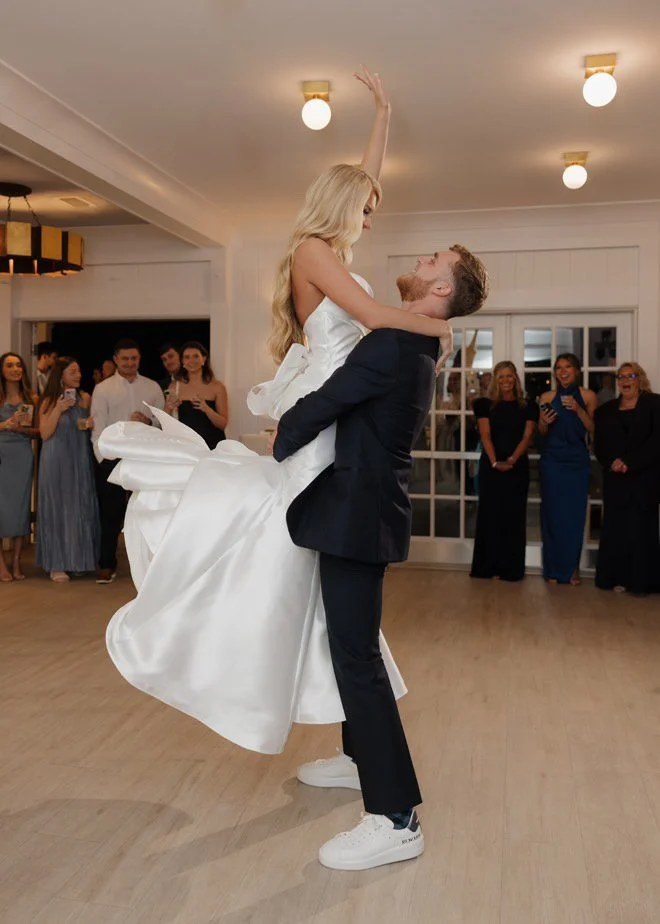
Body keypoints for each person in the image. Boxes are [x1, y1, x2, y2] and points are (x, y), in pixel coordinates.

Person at [98, 68, 484, 762]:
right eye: (365, 208)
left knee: (327, 598)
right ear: (342, 206)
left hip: (343, 406)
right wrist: (439, 329)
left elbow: (365, 181)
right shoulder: (313, 252)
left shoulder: (333, 250)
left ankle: (353, 741)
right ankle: (221, 644)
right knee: (293, 567)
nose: (373, 217)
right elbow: (367, 315)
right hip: (330, 405)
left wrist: (384, 112)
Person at [271, 248, 488, 871]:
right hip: (364, 508)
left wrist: (279, 438)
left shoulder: (394, 344)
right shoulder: (414, 342)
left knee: (356, 655)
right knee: (349, 641)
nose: (420, 259)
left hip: (357, 515)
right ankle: (358, 756)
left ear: (440, 285)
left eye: (432, 260)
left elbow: (327, 402)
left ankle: (396, 817)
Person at [91, 338, 163, 583]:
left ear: (139, 359)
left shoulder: (152, 387)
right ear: (116, 360)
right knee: (110, 513)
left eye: (134, 358)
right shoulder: (103, 389)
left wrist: (148, 421)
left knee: (147, 511)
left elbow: (162, 423)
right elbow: (97, 427)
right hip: (112, 457)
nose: (130, 363)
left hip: (144, 458)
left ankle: (151, 564)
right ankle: (106, 563)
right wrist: (102, 458)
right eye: (125, 359)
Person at [594, 363, 660, 595]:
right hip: (616, 481)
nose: (624, 380)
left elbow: (656, 442)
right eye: (620, 376)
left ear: (639, 378)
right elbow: (599, 445)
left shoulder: (655, 404)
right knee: (617, 532)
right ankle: (615, 578)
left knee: (642, 532)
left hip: (644, 480)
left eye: (629, 376)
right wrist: (612, 461)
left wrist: (630, 462)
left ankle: (642, 583)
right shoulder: (605, 411)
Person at [469, 362, 538, 582]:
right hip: (491, 468)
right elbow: (485, 436)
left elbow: (527, 437)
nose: (505, 381)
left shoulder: (528, 406)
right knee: (490, 516)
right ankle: (487, 567)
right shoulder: (484, 405)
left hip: (517, 468)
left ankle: (511, 569)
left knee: (513, 518)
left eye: (509, 376)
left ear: (516, 378)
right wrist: (495, 462)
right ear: (495, 380)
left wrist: (511, 460)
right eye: (501, 377)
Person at [36, 357, 101, 582]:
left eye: (79, 371)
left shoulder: (84, 398)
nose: (78, 375)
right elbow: (44, 433)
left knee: (78, 506)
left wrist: (88, 423)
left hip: (78, 456)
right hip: (55, 459)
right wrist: (59, 408)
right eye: (73, 371)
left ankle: (78, 560)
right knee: (57, 507)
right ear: (60, 375)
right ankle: (57, 563)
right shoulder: (48, 400)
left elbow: (81, 426)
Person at [538, 353, 597, 585]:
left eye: (568, 367)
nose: (563, 372)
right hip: (552, 461)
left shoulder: (588, 396)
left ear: (577, 371)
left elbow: (593, 429)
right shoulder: (547, 396)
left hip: (577, 462)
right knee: (552, 515)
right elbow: (541, 434)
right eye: (559, 368)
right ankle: (552, 568)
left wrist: (578, 410)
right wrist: (544, 421)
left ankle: (572, 569)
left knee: (574, 516)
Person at [0, 353, 39, 582]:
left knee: (20, 509)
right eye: (9, 365)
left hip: (22, 455)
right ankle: (1, 564)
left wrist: (23, 429)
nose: (15, 369)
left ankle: (16, 560)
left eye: (18, 365)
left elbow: (38, 432)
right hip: (1, 454)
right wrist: (6, 424)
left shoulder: (31, 397)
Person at [164, 342, 228, 448]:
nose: (191, 361)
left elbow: (223, 424)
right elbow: (165, 420)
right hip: (186, 445)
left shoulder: (218, 387)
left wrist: (207, 409)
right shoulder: (174, 386)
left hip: (213, 445)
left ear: (204, 358)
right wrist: (170, 408)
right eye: (187, 357)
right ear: (182, 361)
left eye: (196, 356)